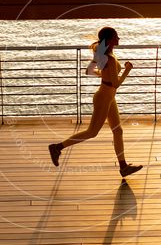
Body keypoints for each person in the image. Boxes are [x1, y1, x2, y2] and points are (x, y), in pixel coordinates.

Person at [48, 27, 143, 178]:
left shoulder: (103, 53)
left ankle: (123, 166)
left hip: (108, 97)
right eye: (116, 36)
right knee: (92, 132)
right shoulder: (109, 58)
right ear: (110, 39)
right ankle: (57, 147)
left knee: (118, 131)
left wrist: (104, 75)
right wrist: (127, 70)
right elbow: (116, 83)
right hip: (104, 98)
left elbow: (89, 71)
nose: (119, 39)